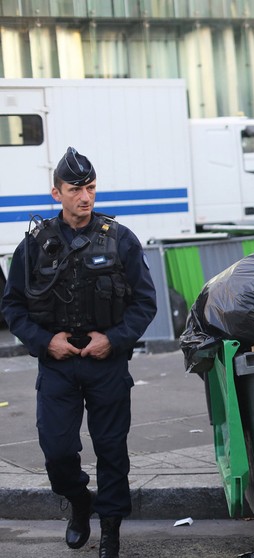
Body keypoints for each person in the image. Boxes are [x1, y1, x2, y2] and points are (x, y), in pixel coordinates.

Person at [0, 147, 157, 558]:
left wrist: (115, 339)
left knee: (111, 449)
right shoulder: (35, 244)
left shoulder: (120, 239)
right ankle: (79, 501)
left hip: (106, 362)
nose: (85, 196)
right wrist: (43, 341)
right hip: (58, 364)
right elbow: (12, 306)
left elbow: (144, 303)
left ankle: (110, 530)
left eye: (90, 187)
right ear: (57, 193)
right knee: (57, 449)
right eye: (75, 189)